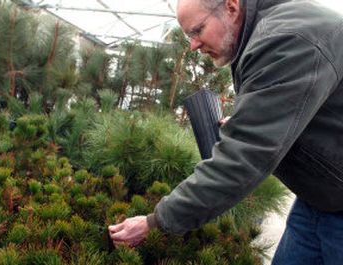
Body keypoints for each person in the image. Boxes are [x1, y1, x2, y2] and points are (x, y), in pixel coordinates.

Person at [109, 0, 343, 263]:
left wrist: (156, 221)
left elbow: (242, 159)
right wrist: (253, 119)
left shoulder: (286, 40)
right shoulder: (263, 31)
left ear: (231, 8)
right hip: (319, 196)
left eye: (197, 30)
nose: (193, 45)